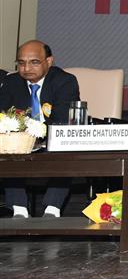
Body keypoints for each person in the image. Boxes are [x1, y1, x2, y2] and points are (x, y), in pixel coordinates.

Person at [1, 40, 80, 218]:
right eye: (21, 63)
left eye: (34, 62)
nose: (26, 68)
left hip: (52, 140)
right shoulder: (11, 82)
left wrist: (36, 135)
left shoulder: (65, 81)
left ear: (49, 62)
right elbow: (4, 115)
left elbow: (61, 122)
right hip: (20, 142)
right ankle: (19, 210)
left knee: (66, 148)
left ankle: (52, 209)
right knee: (8, 149)